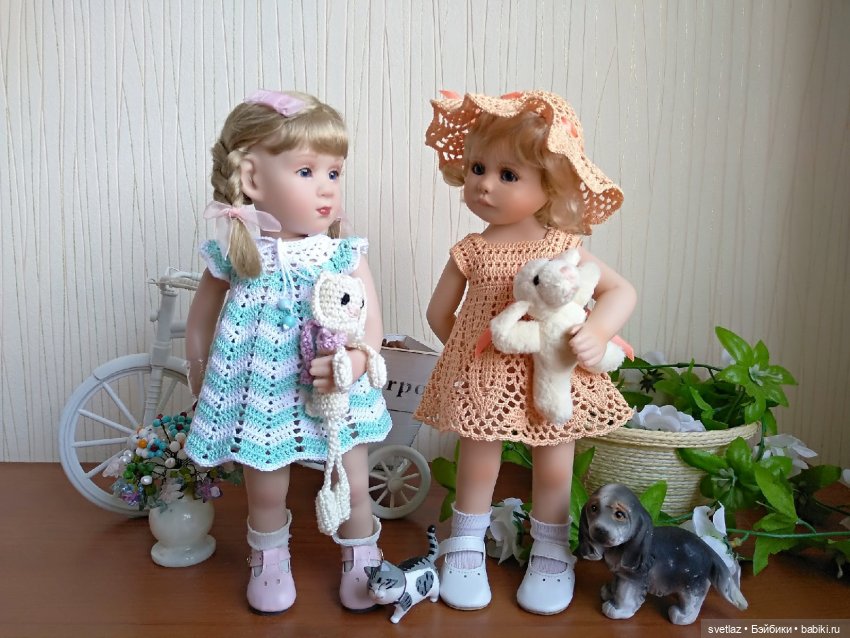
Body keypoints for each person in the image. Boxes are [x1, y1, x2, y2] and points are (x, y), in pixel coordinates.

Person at [414, 90, 637, 615]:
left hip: (554, 376)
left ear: (550, 186)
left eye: (508, 174)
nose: (484, 184)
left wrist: (597, 333)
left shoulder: (563, 248)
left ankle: (552, 548)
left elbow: (620, 292)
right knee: (477, 463)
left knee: (555, 465)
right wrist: (469, 359)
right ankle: (465, 542)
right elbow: (439, 313)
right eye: (478, 168)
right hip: (486, 381)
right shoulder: (472, 250)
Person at [184, 89, 391, 615]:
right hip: (261, 398)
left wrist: (357, 360)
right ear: (252, 180)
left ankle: (362, 555)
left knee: (355, 481)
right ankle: (270, 557)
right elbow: (200, 323)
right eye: (306, 171)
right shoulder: (237, 254)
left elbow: (371, 325)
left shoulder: (343, 253)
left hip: (336, 393)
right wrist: (203, 378)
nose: (326, 187)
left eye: (334, 172)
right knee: (266, 489)